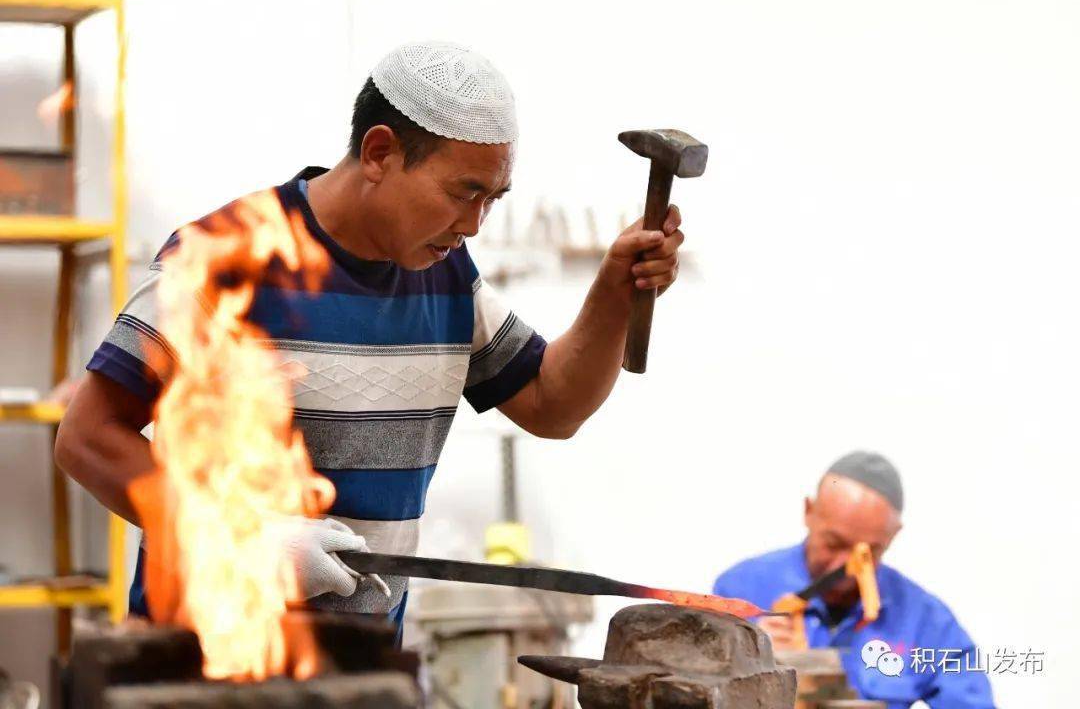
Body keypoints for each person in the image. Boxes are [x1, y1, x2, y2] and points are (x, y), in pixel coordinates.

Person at [55, 42, 685, 629]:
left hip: (362, 677)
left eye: (492, 199)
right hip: (199, 671)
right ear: (381, 152)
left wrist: (614, 293)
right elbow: (87, 438)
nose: (474, 224)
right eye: (464, 193)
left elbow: (553, 404)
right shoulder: (225, 261)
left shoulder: (444, 278)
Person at [712, 451, 994, 708]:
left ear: (892, 536)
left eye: (867, 553)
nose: (845, 568)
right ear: (809, 511)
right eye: (833, 544)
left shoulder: (927, 622)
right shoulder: (738, 590)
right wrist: (749, 661)